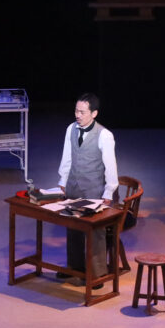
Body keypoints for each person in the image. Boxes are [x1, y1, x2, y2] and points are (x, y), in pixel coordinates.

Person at [56, 93, 118, 286]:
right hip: (74, 185)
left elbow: (111, 167)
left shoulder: (104, 135)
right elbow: (67, 157)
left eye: (82, 112)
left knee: (95, 232)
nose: (78, 115)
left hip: (93, 189)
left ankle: (97, 273)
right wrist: (63, 180)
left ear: (94, 113)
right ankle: (74, 266)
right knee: (73, 227)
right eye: (76, 111)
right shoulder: (71, 129)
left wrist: (108, 192)